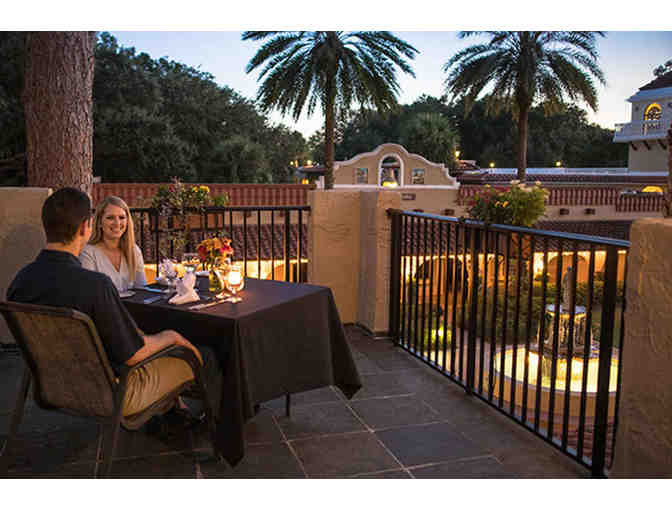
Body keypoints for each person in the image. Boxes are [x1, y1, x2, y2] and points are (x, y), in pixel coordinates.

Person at [7, 188, 221, 424]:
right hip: (115, 393)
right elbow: (133, 355)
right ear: (86, 227)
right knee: (206, 355)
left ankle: (171, 414)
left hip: (52, 388)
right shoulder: (94, 285)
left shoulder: (19, 282)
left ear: (46, 226)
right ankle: (217, 429)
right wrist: (171, 337)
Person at [79, 195, 147, 292]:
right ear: (99, 222)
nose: (117, 223)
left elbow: (142, 290)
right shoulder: (88, 254)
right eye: (110, 218)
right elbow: (89, 293)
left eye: (122, 217)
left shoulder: (134, 250)